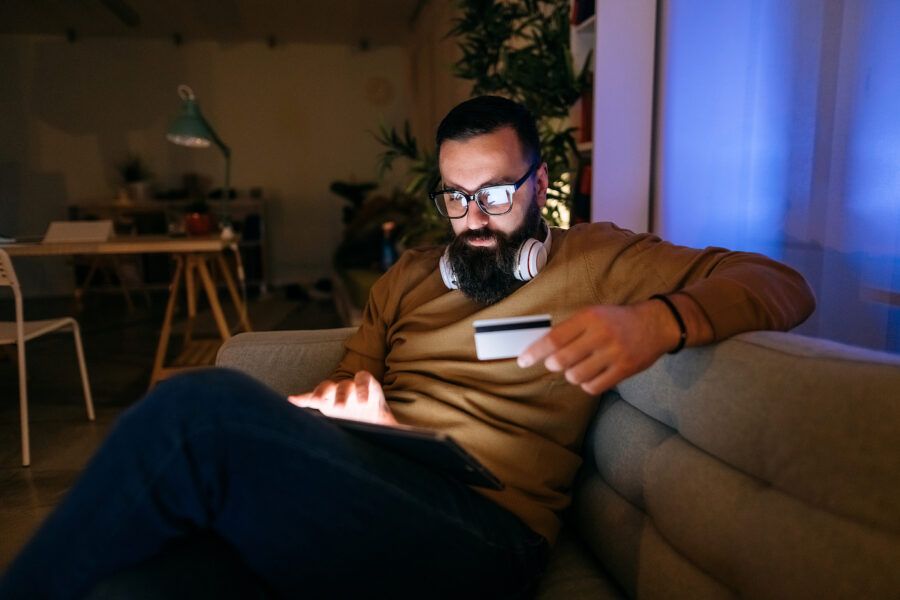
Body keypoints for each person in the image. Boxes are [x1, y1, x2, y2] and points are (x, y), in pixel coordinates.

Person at [0, 96, 814, 599]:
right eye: (456, 197)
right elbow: (354, 369)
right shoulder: (412, 276)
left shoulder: (601, 258)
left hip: (486, 533)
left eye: (497, 192)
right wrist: (348, 402)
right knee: (136, 587)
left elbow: (779, 282)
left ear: (538, 184)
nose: (477, 217)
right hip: (376, 490)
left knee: (197, 408)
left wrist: (658, 321)